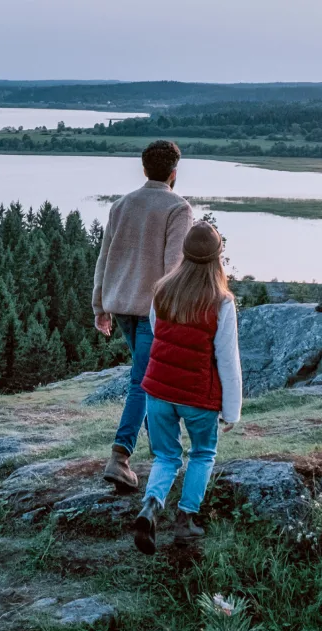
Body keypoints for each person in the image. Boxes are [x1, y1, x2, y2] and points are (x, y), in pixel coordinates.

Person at [130, 221, 242, 555]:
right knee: (203, 453)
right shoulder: (221, 303)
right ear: (216, 257)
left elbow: (156, 328)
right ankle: (186, 518)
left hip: (158, 392)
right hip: (197, 396)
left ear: (185, 253)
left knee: (166, 454)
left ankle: (150, 506)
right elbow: (227, 360)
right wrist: (231, 410)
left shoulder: (163, 290)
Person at [92, 140, 194, 493]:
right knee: (145, 380)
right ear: (174, 172)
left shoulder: (122, 205)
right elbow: (174, 268)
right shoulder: (177, 208)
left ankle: (162, 449)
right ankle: (120, 457)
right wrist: (174, 315)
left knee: (147, 375)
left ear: (145, 168)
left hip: (120, 305)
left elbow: (104, 260)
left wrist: (100, 306)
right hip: (153, 310)